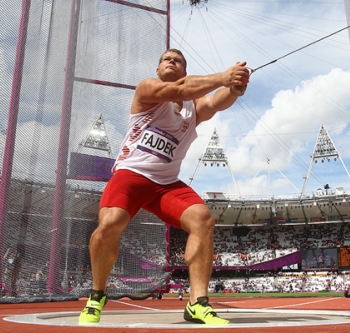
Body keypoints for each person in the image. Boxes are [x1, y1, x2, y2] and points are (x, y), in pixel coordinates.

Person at [78, 48, 249, 326]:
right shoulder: (147, 90)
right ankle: (97, 295)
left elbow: (217, 101)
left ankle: (198, 303)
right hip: (131, 175)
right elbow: (182, 89)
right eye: (166, 60)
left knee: (203, 220)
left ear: (184, 70)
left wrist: (235, 87)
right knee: (110, 224)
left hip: (167, 184)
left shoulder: (193, 109)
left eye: (177, 61)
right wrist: (223, 76)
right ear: (159, 70)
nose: (171, 62)